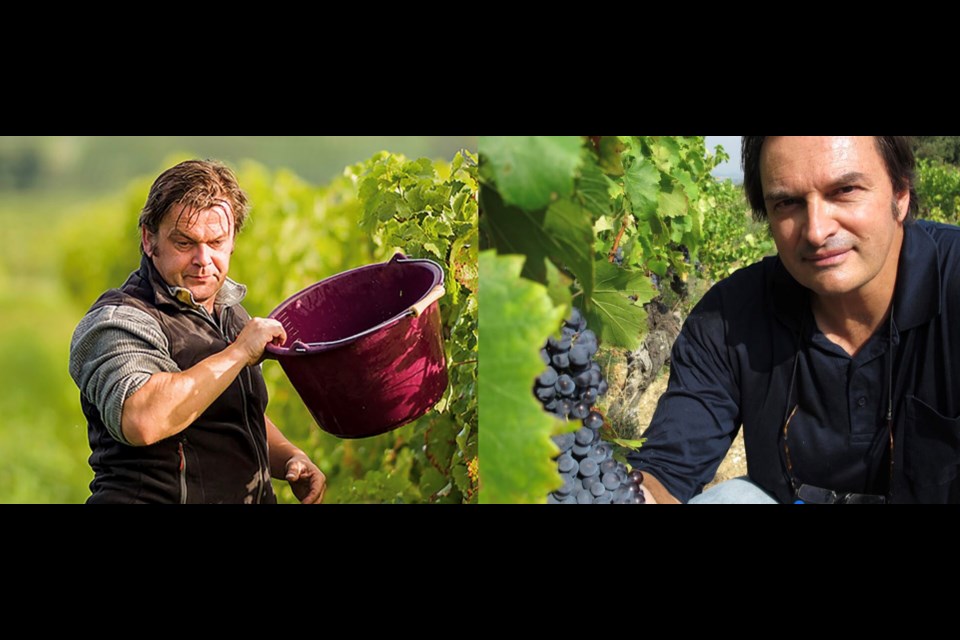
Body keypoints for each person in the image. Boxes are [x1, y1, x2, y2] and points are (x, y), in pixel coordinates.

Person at [628, 136, 960, 504]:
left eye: (845, 190)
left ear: (901, 192)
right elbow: (663, 472)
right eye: (787, 202)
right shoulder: (729, 317)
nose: (816, 232)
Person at [69, 159, 326, 504]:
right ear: (149, 239)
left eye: (217, 242)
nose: (203, 259)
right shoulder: (119, 320)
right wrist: (238, 353)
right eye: (185, 243)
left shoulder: (228, 310)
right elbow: (142, 418)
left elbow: (231, 410)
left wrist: (290, 457)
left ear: (233, 239)